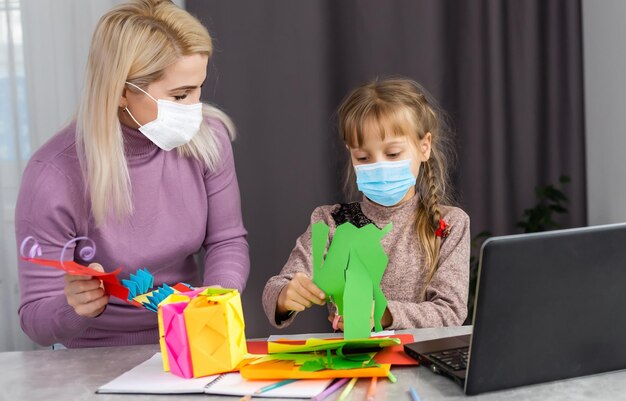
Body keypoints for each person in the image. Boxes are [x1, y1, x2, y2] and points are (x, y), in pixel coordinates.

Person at [14, 0, 249, 348]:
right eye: (179, 95)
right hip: (96, 361)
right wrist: (73, 307)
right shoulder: (53, 176)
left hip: (193, 343)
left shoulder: (208, 140)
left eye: (197, 89)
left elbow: (226, 241)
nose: (194, 109)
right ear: (122, 91)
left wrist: (214, 300)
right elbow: (35, 319)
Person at [263, 77, 470, 331]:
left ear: (424, 146)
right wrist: (286, 296)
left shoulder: (449, 224)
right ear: (351, 154)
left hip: (422, 365)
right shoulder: (332, 221)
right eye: (363, 157)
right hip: (354, 363)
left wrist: (382, 313)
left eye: (393, 154)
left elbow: (450, 311)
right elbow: (276, 289)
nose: (378, 166)